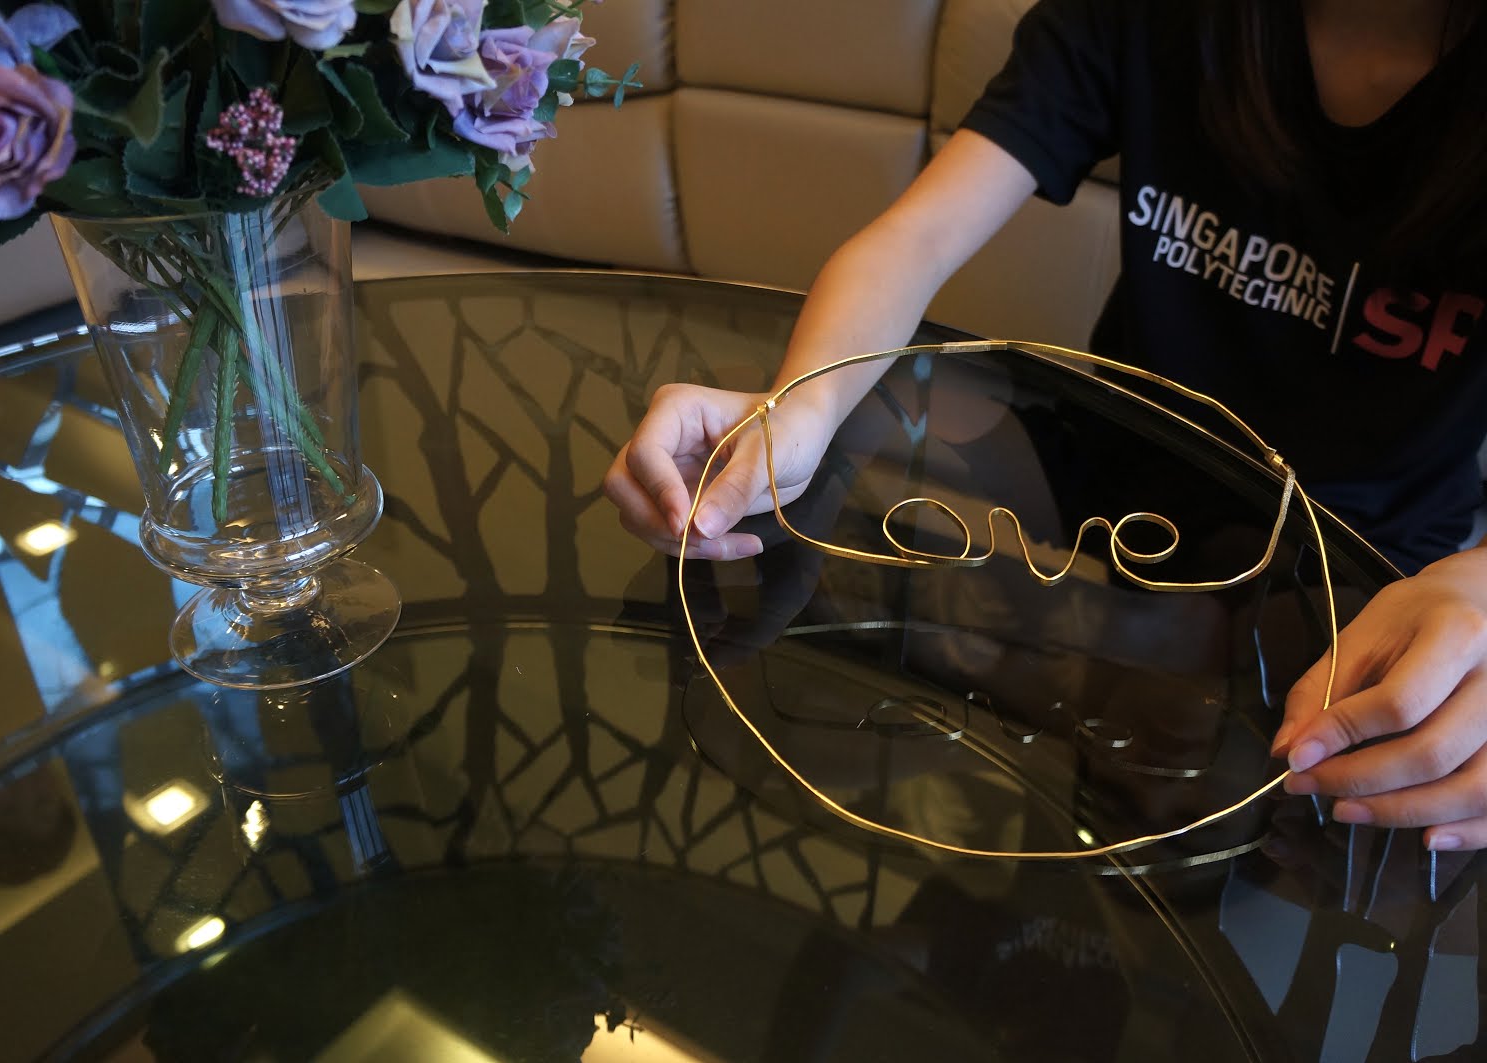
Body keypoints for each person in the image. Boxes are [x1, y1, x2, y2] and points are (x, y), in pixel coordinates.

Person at [603, 0, 1487, 850]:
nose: (1143, 768)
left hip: (1355, 564)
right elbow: (918, 237)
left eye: (1123, 784)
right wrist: (797, 406)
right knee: (863, 429)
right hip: (1111, 476)